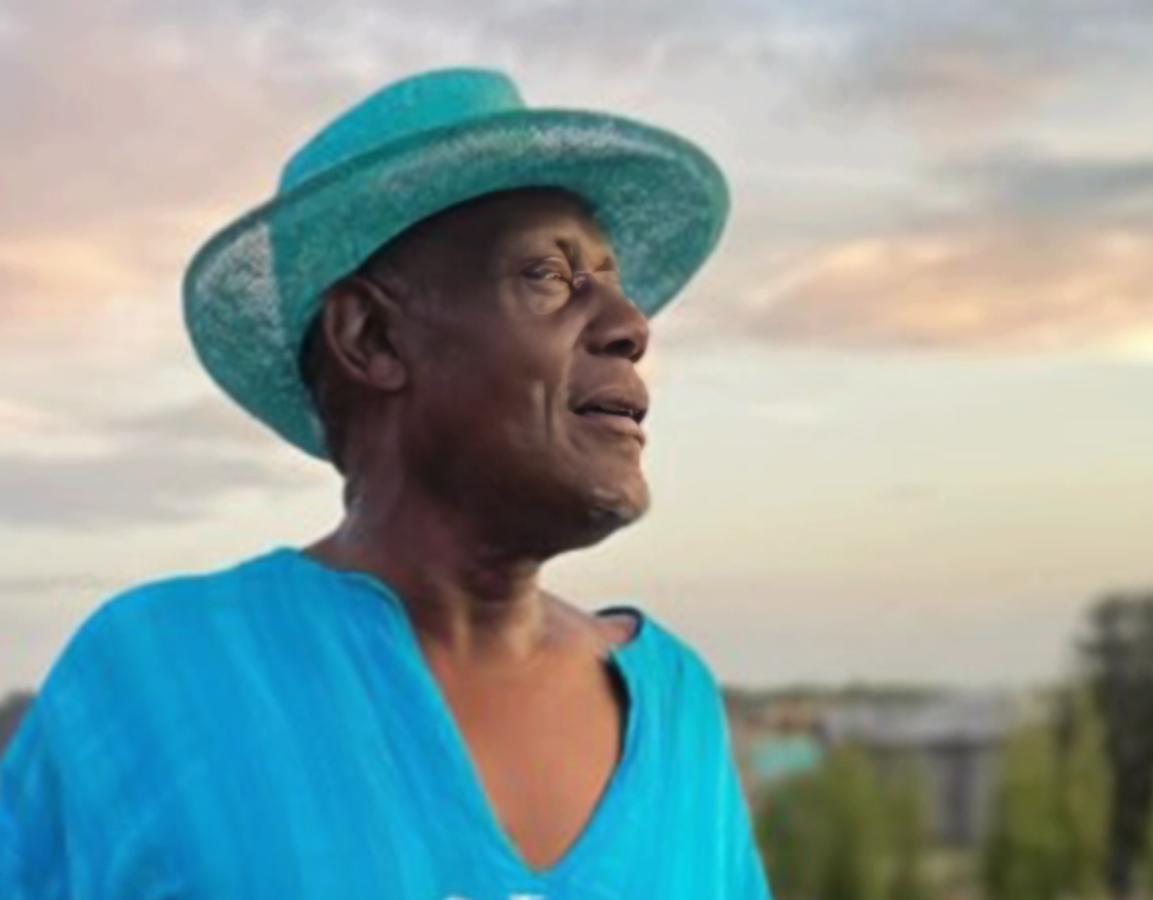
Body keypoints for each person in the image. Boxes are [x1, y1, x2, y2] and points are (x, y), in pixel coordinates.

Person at [0, 68, 772, 899]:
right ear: (370, 337)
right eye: (549, 276)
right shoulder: (151, 679)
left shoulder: (679, 712)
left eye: (615, 284)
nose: (630, 325)